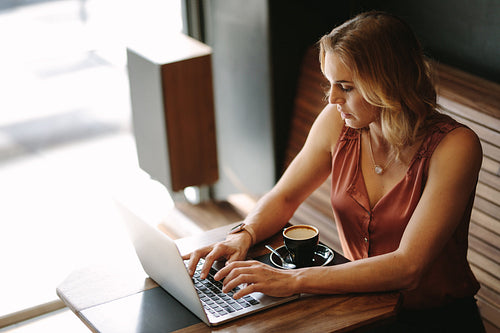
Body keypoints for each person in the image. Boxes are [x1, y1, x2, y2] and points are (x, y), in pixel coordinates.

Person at [183, 11, 485, 331]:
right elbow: (285, 196)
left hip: (436, 320)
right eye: (330, 84)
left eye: (345, 87)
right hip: (359, 308)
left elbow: (409, 266)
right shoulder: (337, 123)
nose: (332, 98)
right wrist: (244, 233)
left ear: (388, 83)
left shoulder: (455, 147)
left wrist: (293, 280)